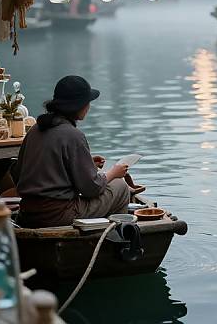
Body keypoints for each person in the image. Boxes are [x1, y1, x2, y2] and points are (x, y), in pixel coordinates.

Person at [11, 75, 130, 228]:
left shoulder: (35, 130)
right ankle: (116, 238)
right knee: (120, 187)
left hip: (27, 213)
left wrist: (86, 162)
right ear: (78, 106)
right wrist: (114, 172)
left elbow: (18, 174)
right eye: (87, 102)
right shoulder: (74, 136)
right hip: (59, 215)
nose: (89, 106)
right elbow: (91, 188)